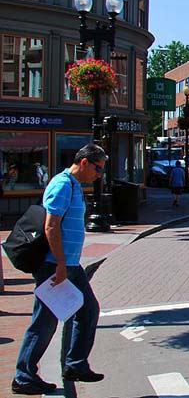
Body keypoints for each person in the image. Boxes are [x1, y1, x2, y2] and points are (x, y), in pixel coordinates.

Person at [13, 144, 107, 395]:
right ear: (84, 162)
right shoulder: (63, 184)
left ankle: (75, 364)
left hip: (69, 264)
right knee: (44, 322)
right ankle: (24, 376)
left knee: (87, 310)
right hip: (54, 265)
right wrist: (61, 264)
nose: (99, 174)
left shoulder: (74, 185)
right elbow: (51, 226)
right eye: (98, 169)